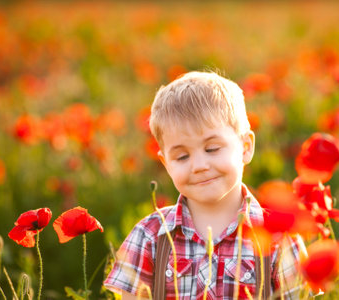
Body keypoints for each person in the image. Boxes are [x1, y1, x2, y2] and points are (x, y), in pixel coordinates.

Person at [104, 71, 306, 299]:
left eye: (212, 149)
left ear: (246, 146)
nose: (199, 165)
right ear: (166, 163)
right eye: (182, 157)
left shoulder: (280, 238)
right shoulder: (149, 236)